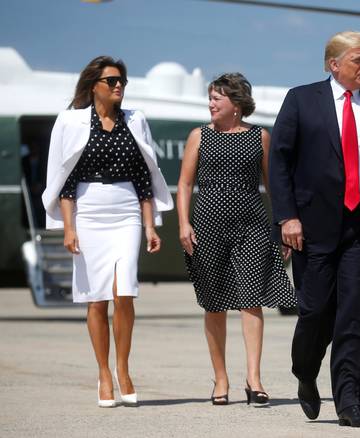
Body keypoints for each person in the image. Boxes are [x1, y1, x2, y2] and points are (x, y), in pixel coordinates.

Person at [269, 31, 360, 427]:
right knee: (314, 312)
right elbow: (279, 162)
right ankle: (305, 372)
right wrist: (287, 217)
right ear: (334, 64)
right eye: (357, 60)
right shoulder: (301, 100)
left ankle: (350, 403)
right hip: (312, 225)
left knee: (354, 314)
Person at [41, 56, 173, 407]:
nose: (119, 86)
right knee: (96, 297)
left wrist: (150, 225)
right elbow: (64, 179)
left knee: (124, 291)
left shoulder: (136, 120)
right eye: (112, 80)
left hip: (127, 209)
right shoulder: (71, 121)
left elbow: (145, 175)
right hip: (87, 210)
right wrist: (68, 227)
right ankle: (103, 373)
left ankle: (123, 368)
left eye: (122, 81)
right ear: (94, 86)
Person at [177, 73, 295, 406]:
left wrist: (282, 224)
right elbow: (185, 185)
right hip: (208, 225)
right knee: (214, 303)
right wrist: (184, 224)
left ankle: (254, 379)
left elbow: (274, 186)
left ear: (236, 104)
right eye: (210, 97)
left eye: (217, 98)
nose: (211, 103)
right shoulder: (198, 136)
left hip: (252, 225)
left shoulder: (260, 137)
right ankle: (221, 378)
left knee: (250, 298)